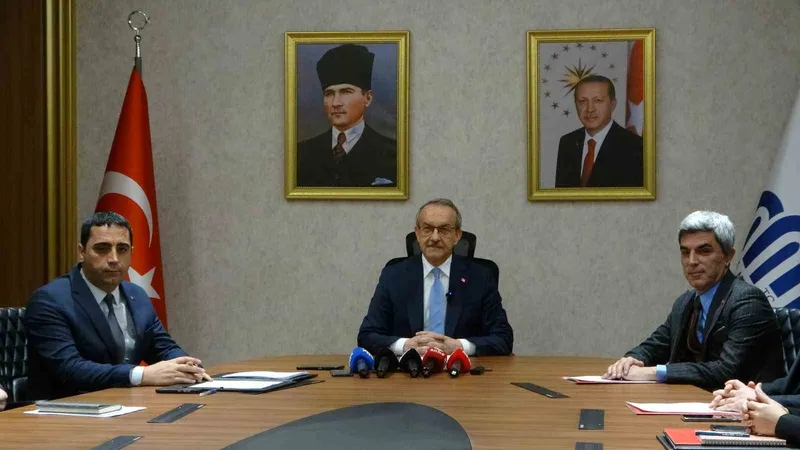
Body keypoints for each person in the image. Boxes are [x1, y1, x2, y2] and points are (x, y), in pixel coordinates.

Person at [26, 211, 211, 400]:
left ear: (132, 252)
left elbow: (163, 347)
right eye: (102, 248)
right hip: (67, 408)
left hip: (126, 404)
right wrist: (141, 375)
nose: (114, 258)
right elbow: (69, 368)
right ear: (81, 252)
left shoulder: (137, 295)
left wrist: (186, 367)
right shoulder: (50, 300)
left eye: (122, 249)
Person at [602, 211, 784, 390]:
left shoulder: (747, 301)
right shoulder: (685, 302)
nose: (692, 261)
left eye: (704, 251)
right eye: (685, 252)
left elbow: (727, 371)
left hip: (747, 404)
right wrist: (632, 360)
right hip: (694, 399)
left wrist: (654, 372)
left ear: (728, 255)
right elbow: (656, 345)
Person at [357, 198, 513, 356]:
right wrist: (406, 345)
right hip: (409, 368)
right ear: (417, 233)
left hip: (462, 368)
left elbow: (504, 339)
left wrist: (459, 346)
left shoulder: (481, 277)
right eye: (427, 229)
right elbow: (367, 336)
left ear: (457, 235)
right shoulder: (393, 276)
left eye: (444, 229)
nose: (435, 237)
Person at [296, 44, 397, 188]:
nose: (336, 103)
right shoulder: (301, 153)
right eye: (329, 93)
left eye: (346, 92)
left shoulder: (393, 153)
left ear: (367, 98)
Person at [555, 74, 643, 188]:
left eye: (598, 100)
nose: (590, 109)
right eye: (582, 101)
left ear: (612, 104)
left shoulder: (635, 146)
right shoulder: (567, 142)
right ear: (576, 104)